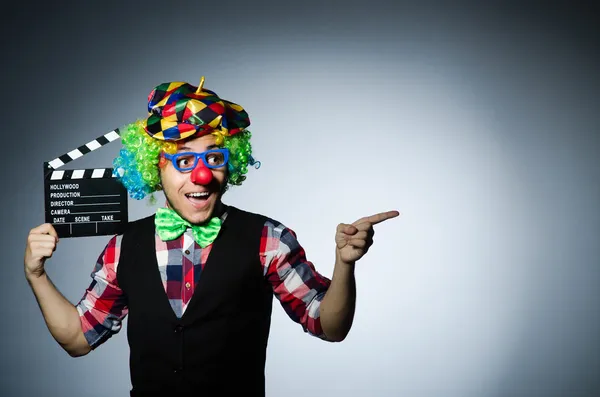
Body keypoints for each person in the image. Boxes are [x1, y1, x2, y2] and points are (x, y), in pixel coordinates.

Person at [24, 78, 399, 396]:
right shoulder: (123, 248)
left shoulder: (268, 239)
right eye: (184, 161)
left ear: (229, 162)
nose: (201, 177)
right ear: (156, 166)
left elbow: (329, 326)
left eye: (214, 158)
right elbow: (77, 338)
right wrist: (37, 276)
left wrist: (344, 265)